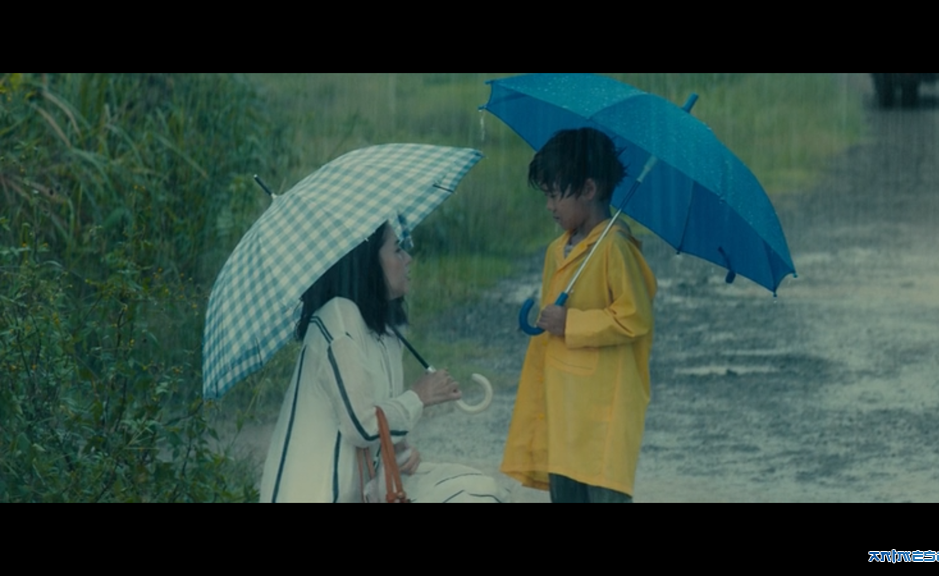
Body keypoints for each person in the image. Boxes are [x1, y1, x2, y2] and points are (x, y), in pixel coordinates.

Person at [260, 221, 506, 503]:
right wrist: (418, 396)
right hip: (315, 495)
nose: (408, 259)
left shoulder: (386, 331)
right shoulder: (338, 318)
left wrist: (398, 450)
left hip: (364, 493)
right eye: (397, 250)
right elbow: (362, 425)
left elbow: (379, 416)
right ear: (367, 264)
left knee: (483, 490)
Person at [501, 128, 657, 503]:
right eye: (546, 195)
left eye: (555, 194)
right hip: (565, 409)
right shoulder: (558, 250)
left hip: (603, 414)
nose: (549, 206)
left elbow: (634, 317)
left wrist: (571, 323)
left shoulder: (616, 247)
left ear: (588, 189)